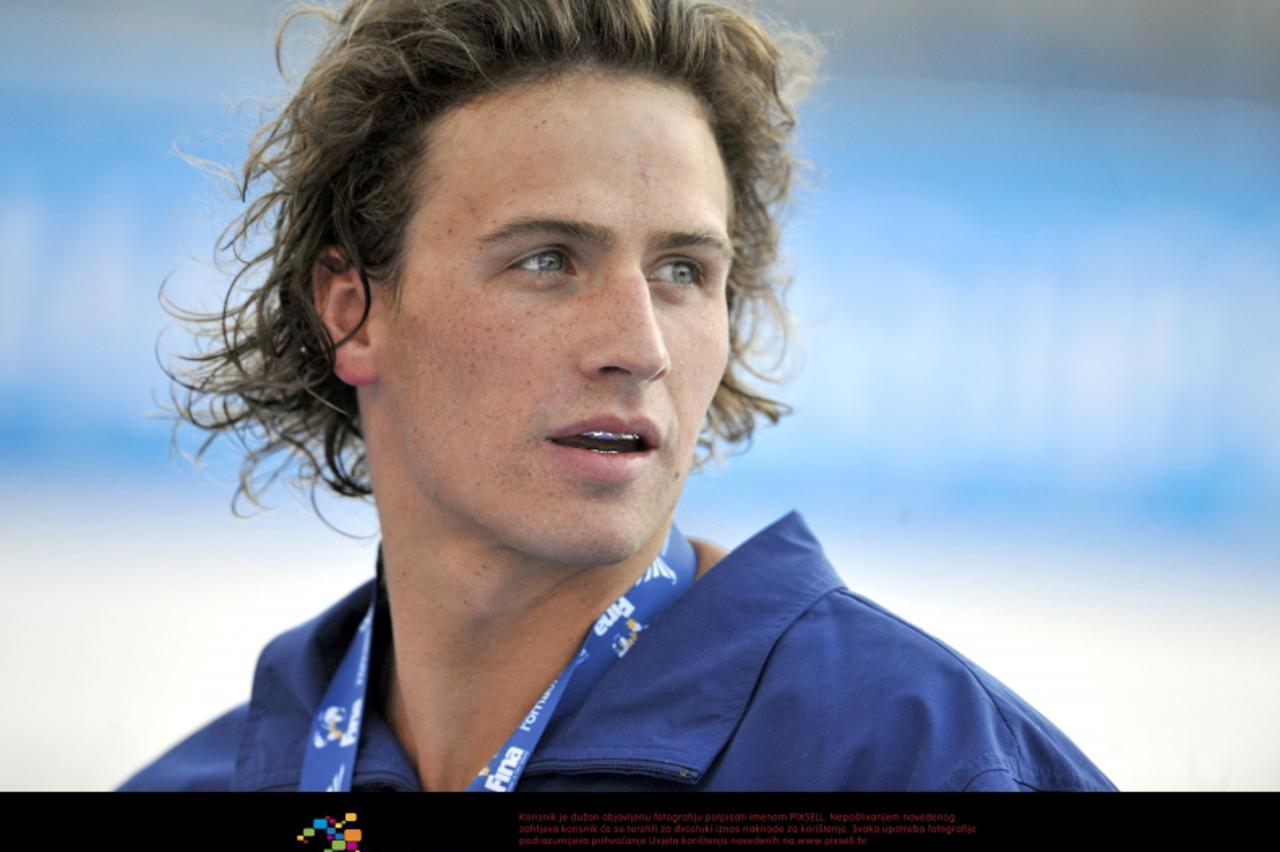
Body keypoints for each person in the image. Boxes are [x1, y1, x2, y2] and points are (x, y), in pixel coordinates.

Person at [122, 0, 1114, 793]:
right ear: (353, 314)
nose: (639, 349)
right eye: (548, 259)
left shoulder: (922, 766)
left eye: (682, 272)